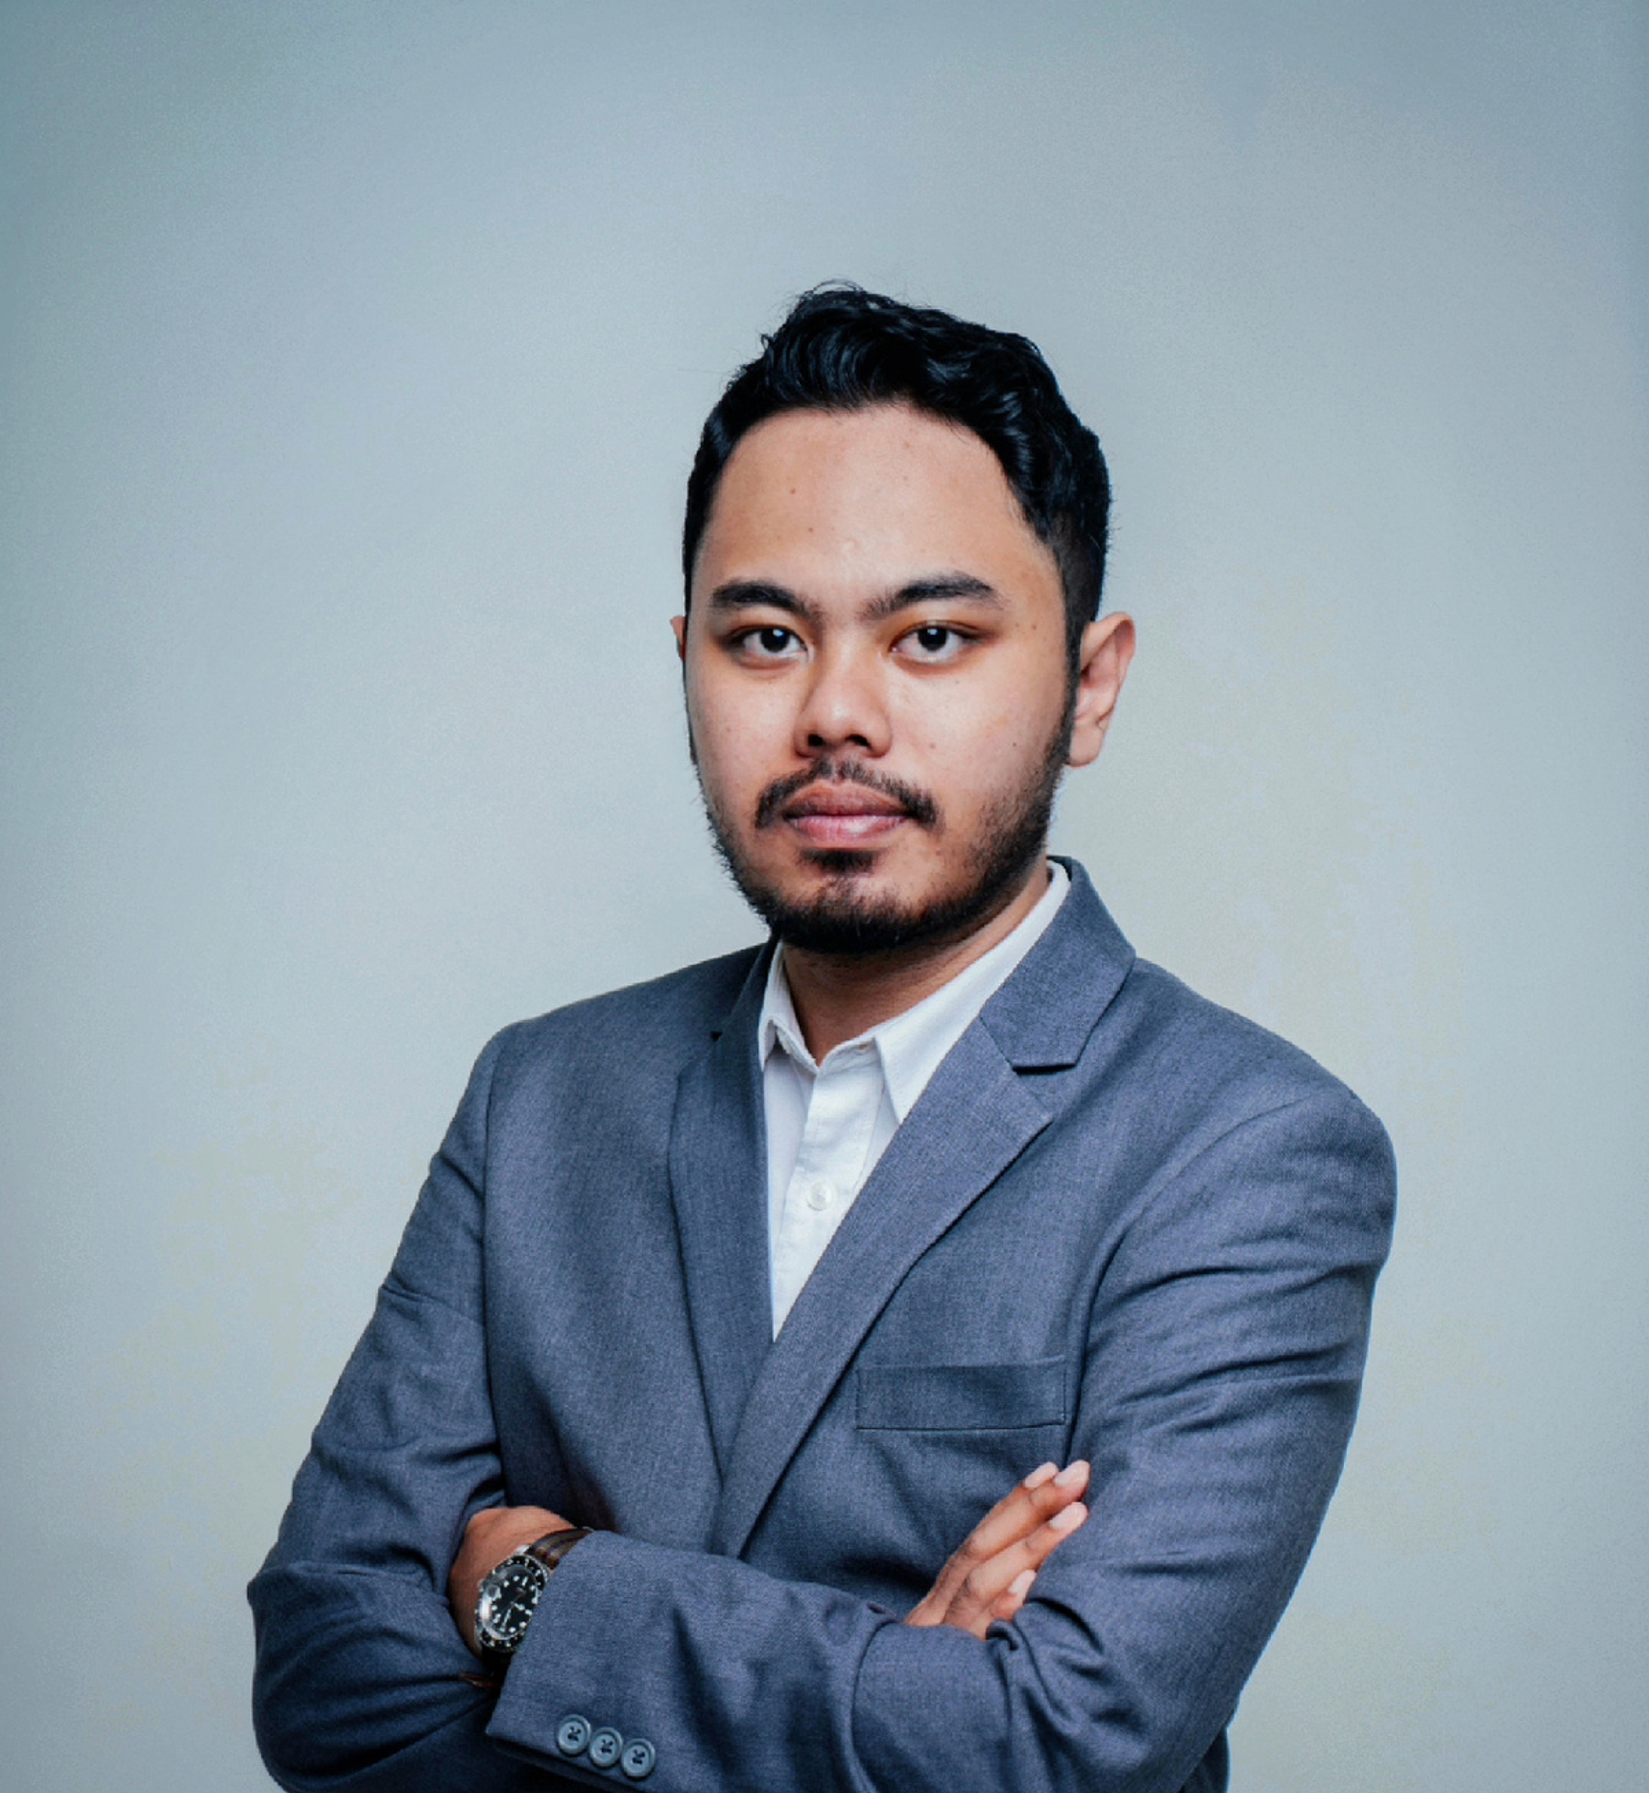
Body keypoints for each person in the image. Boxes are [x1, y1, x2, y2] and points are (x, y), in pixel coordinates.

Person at [249, 286, 1396, 1793]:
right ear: (687, 660)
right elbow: (325, 1676)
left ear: (1090, 683)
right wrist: (899, 1687)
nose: (835, 713)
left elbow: (1055, 1749)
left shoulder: (1245, 1151)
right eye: (768, 636)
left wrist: (534, 1590)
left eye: (933, 635)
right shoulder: (542, 1096)